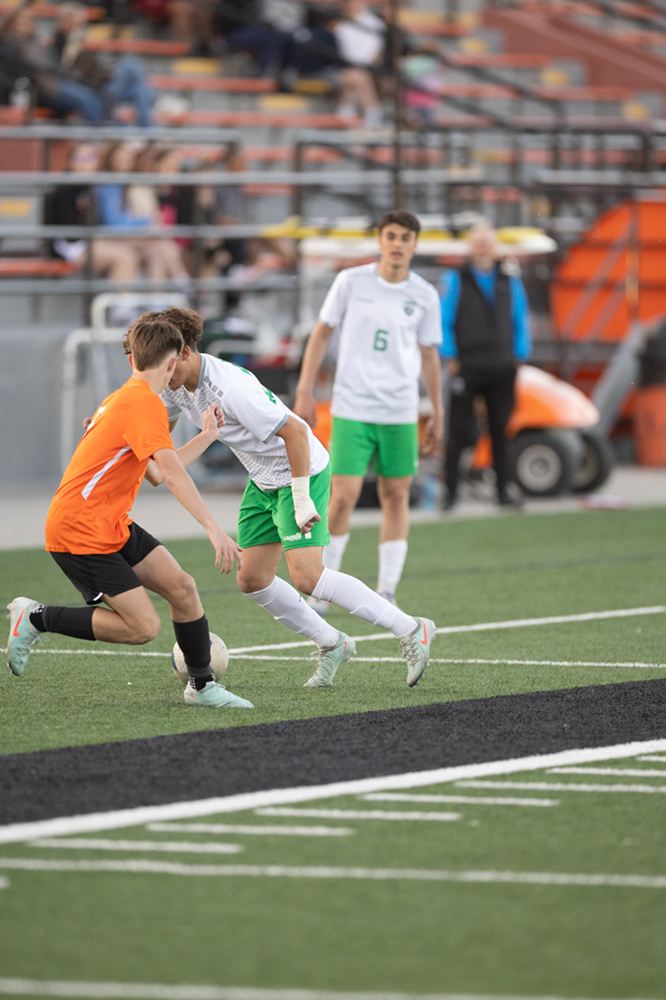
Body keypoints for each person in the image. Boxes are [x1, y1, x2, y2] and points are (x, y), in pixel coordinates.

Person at [133, 306, 436, 690]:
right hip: (262, 479)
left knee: (308, 576)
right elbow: (160, 455)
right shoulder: (173, 383)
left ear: (186, 353)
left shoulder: (231, 389)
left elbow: (296, 432)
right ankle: (332, 642)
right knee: (252, 578)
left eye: (166, 366)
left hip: (300, 471)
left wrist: (302, 497)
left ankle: (411, 629)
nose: (162, 376)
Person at [6, 316, 253, 710]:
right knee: (142, 627)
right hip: (79, 530)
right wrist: (213, 528)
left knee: (182, 587)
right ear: (172, 363)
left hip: (107, 521)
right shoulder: (143, 404)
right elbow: (169, 474)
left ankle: (201, 687)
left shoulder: (124, 398)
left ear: (131, 360)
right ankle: (36, 617)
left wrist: (207, 436)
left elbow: (154, 471)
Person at [293, 210, 443, 611]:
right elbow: (321, 334)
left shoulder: (425, 295)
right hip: (352, 407)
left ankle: (387, 590)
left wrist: (438, 410)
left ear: (415, 245)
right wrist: (305, 390)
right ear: (380, 240)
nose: (397, 244)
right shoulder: (350, 282)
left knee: (396, 495)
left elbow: (429, 355)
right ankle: (324, 587)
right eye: (391, 236)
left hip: (400, 411)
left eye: (405, 238)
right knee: (342, 496)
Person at [439, 222, 532, 510]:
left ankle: (504, 490)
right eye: (477, 244)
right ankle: (449, 493)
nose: (482, 250)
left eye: (486, 244)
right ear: (470, 248)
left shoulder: (509, 280)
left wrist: (519, 355)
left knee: (501, 431)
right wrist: (450, 356)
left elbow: (520, 319)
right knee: (457, 431)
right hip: (467, 365)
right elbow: (444, 319)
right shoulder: (455, 279)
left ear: (494, 248)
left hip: (502, 365)